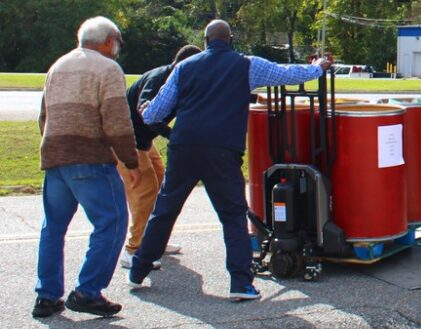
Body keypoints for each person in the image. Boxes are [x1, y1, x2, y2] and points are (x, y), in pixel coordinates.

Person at [130, 20, 331, 301]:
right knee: (233, 216)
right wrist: (317, 67)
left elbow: (154, 115)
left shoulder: (184, 67)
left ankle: (138, 270)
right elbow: (286, 74)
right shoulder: (246, 65)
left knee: (165, 210)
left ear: (204, 40)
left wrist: (145, 108)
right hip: (222, 149)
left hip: (184, 146)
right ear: (231, 39)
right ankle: (240, 283)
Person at [34, 17, 141, 318]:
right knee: (113, 222)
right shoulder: (108, 69)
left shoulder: (58, 65)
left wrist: (53, 145)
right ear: (108, 41)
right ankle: (87, 291)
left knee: (53, 228)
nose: (118, 48)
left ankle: (47, 295)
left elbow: (43, 116)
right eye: (118, 42)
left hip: (55, 157)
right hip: (90, 157)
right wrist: (130, 161)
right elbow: (117, 121)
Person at [117, 43, 202, 269]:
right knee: (144, 191)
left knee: (160, 182)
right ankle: (133, 250)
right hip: (128, 139)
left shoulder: (179, 80)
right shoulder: (158, 79)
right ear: (185, 64)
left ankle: (154, 242)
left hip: (144, 139)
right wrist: (173, 135)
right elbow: (144, 110)